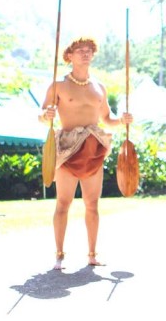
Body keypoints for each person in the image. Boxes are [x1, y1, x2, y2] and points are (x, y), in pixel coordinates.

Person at [39, 37, 132, 270]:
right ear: (69, 56)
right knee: (63, 203)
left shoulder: (99, 87)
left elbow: (107, 119)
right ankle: (59, 254)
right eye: (80, 50)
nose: (85, 53)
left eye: (89, 50)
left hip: (93, 150)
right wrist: (46, 116)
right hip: (68, 150)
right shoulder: (58, 85)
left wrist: (121, 120)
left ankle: (92, 254)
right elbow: (41, 115)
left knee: (92, 204)